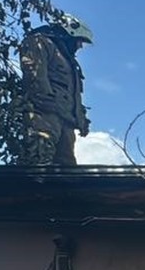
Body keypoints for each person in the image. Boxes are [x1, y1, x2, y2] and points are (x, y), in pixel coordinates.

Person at [18, 13, 93, 166]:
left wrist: (81, 118)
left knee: (67, 169)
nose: (79, 46)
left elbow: (72, 93)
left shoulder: (68, 60)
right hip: (45, 114)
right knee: (39, 159)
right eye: (79, 41)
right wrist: (44, 101)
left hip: (66, 119)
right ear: (69, 32)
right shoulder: (40, 42)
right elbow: (34, 73)